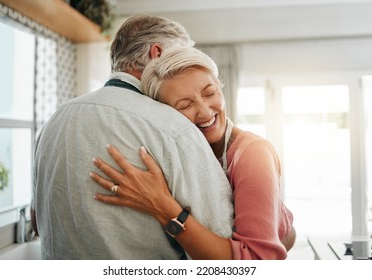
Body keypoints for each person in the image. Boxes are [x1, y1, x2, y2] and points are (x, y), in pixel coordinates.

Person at [31, 15, 234, 259]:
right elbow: (225, 245)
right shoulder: (173, 127)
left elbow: (37, 222)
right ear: (157, 54)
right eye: (182, 57)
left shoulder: (54, 121)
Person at [90, 46, 296, 260]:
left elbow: (257, 261)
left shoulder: (253, 153)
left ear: (221, 86)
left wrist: (162, 206)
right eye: (185, 105)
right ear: (164, 115)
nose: (205, 111)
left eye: (210, 93)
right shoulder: (175, 153)